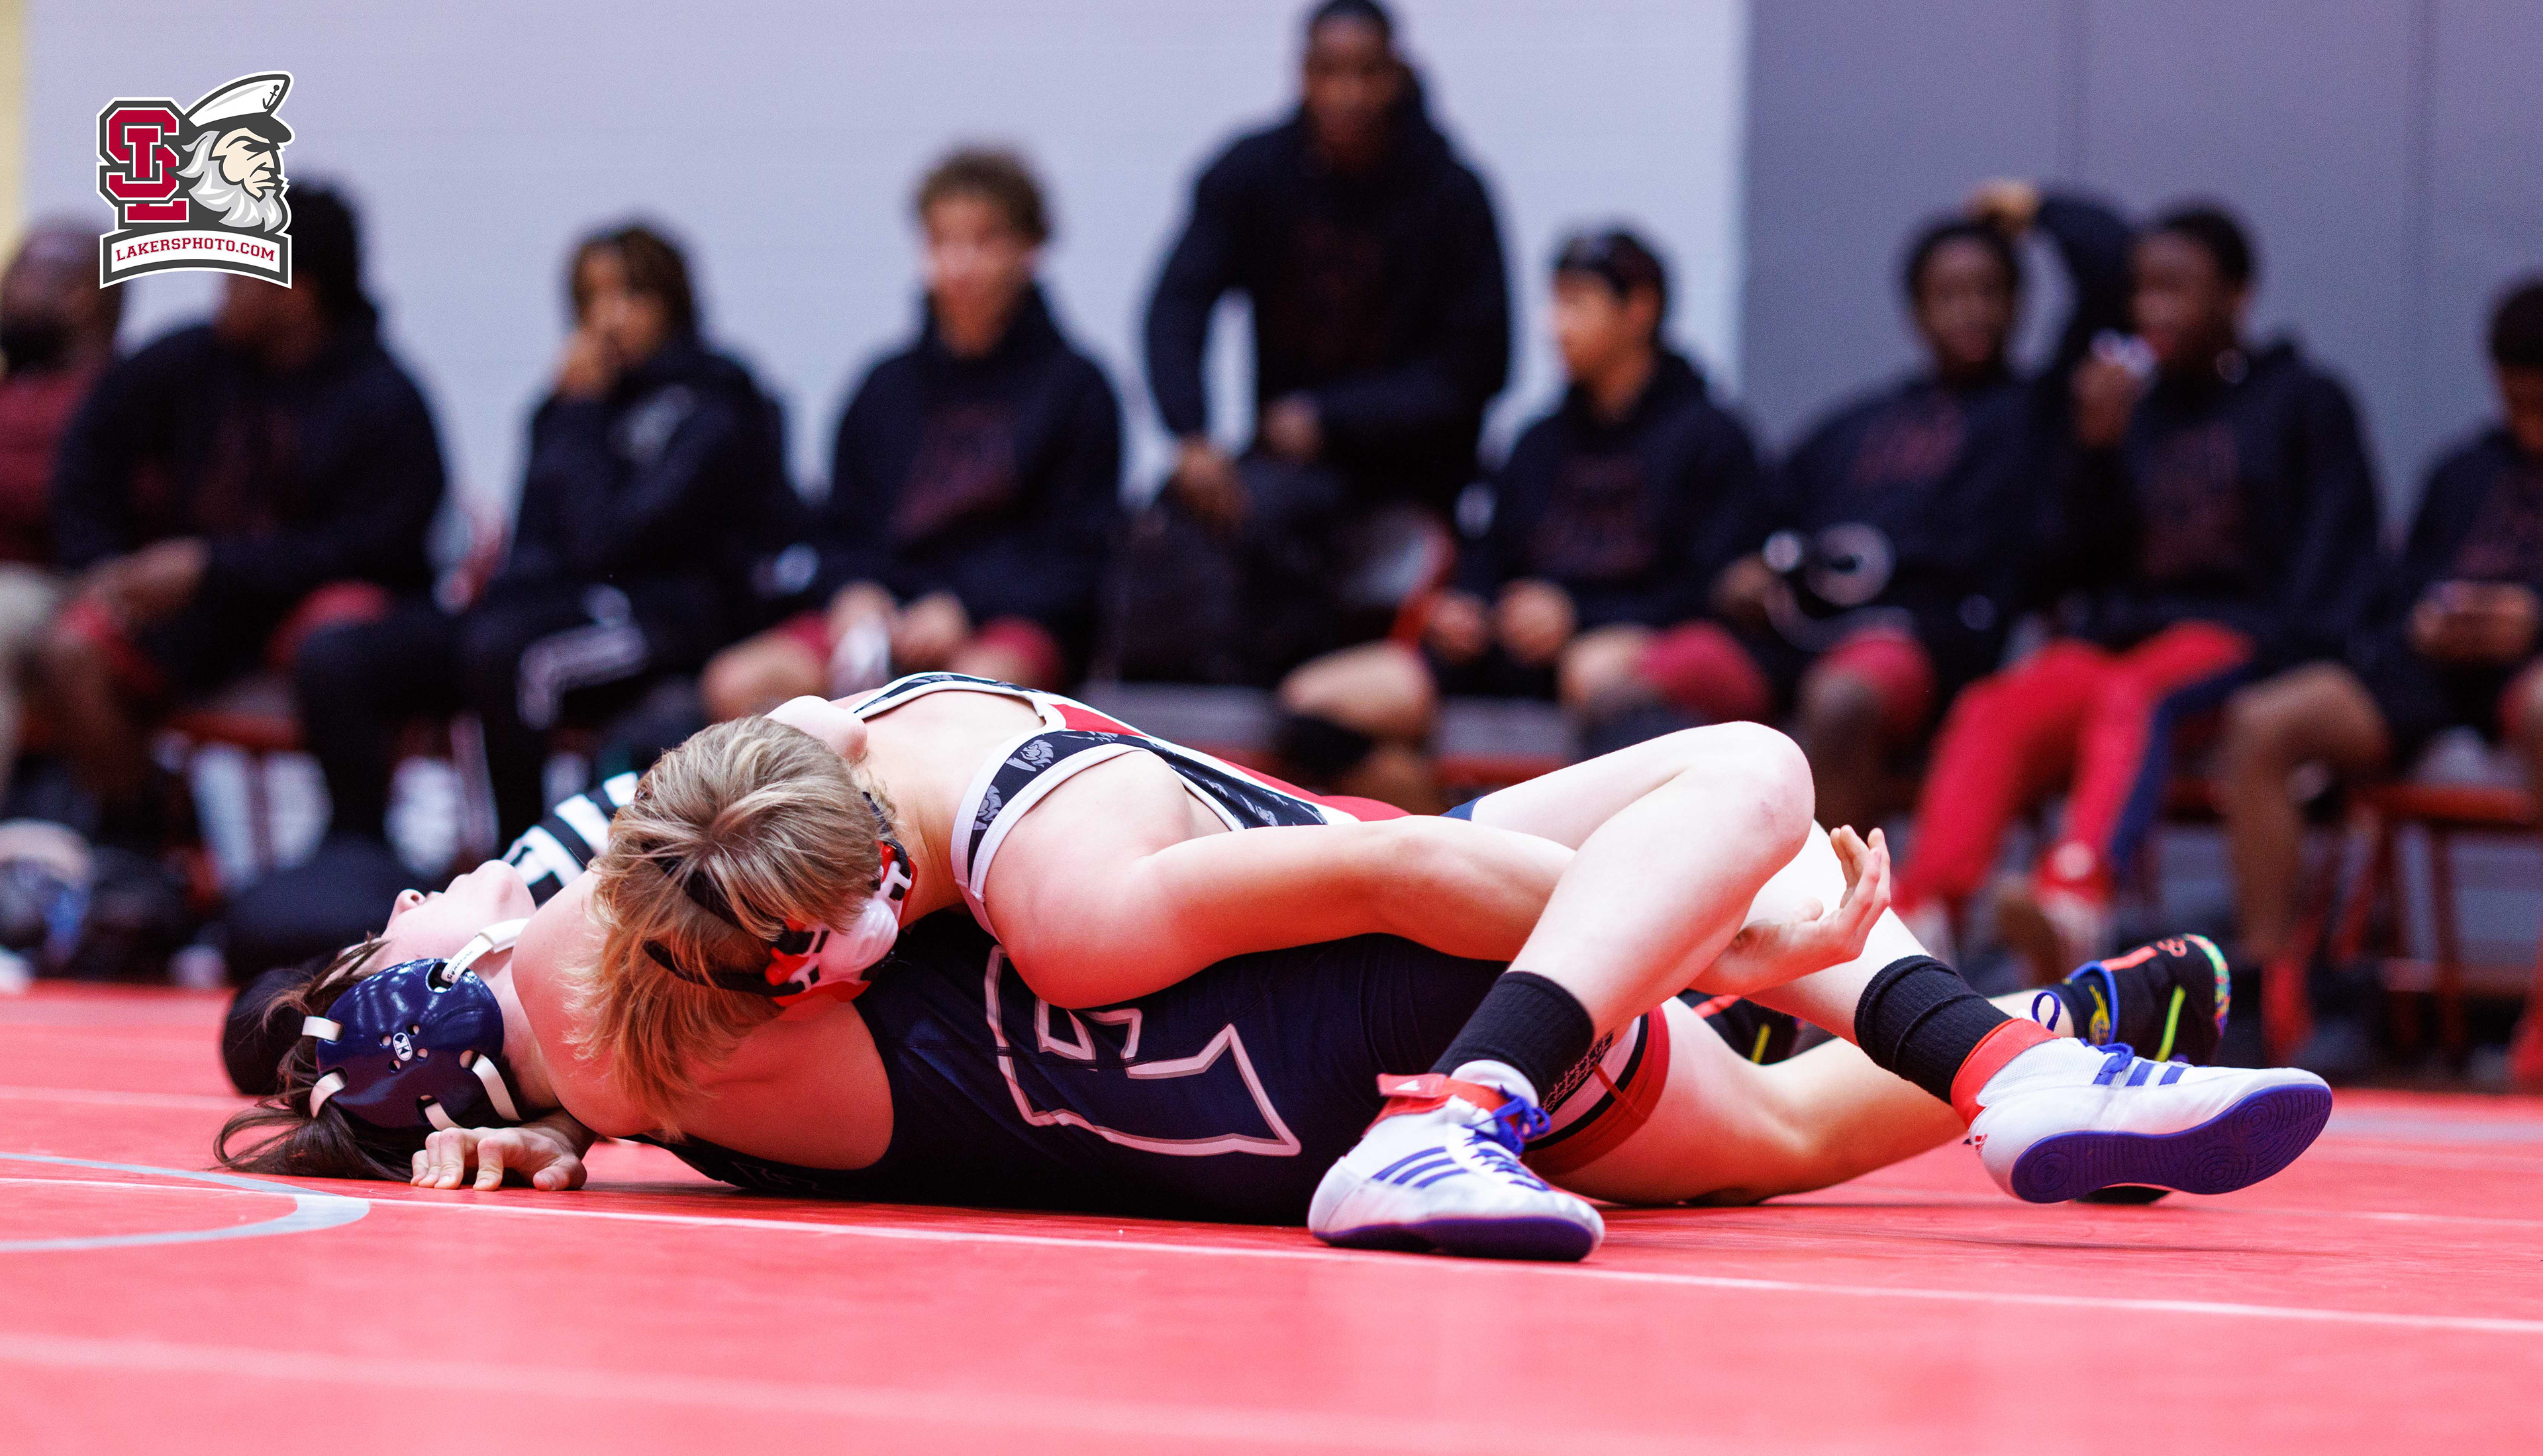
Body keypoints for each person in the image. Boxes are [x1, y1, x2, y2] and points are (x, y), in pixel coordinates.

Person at [217, 705, 2304, 1260]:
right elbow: (1406, 861)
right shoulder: (962, 836)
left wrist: (495, 1111)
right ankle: (2003, 1051)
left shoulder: (646, 1022)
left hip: (1251, 1080)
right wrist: (1738, 939)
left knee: (1756, 1107)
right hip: (1362, 1008)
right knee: (1752, 802)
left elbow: (490, 986)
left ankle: (2042, 1053)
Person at [1893, 202, 2383, 981]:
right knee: (1996, 708)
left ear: (2236, 295)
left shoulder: (2304, 400)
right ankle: (1924, 915)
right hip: (2122, 634)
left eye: (2175, 289)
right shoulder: (2129, 409)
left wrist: (2300, 655)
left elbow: (2336, 545)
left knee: (2135, 695)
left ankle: (2074, 899)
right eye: (2143, 292)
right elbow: (2063, 563)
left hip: (2242, 636)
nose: (2154, 310)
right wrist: (2093, 451)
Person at [293, 222, 791, 847]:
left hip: (658, 616)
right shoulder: (567, 403)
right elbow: (533, 542)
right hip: (546, 609)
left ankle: (517, 860)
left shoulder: (715, 407)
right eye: (591, 299)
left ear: (673, 302)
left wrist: (579, 413)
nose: (608, 318)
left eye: (630, 294)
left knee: (506, 657)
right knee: (338, 656)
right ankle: (357, 851)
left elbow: (608, 542)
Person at [1691, 183, 2132, 832]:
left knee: (1839, 699)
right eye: (1948, 296)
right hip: (1802, 630)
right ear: (1917, 311)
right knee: (1638, 686)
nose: (1970, 310)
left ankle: (1843, 898)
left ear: (2017, 303)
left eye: (1988, 292)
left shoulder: (2038, 412)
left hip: (1930, 637)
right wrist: (1743, 570)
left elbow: (2117, 266)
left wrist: (2036, 210)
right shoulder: (1860, 422)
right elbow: (1756, 513)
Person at [1271, 229, 1764, 808]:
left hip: (1624, 645)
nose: (1555, 326)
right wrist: (1466, 606)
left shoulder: (1711, 437)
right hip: (1505, 650)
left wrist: (1578, 615)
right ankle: (1447, 833)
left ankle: (1584, 851)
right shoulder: (1539, 440)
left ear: (1639, 311)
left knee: (1592, 671)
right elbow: (1491, 551)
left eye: (1577, 303)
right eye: (1554, 303)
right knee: (1312, 703)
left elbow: (1714, 589)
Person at [44, 187, 445, 848]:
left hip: (307, 613)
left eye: (237, 272)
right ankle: (149, 844)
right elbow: (88, 454)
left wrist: (213, 567)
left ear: (295, 293)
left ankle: (356, 847)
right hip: (205, 614)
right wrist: (103, 563)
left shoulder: (384, 398)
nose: (220, 289)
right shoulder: (188, 361)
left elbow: (379, 548)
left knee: (339, 635)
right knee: (71, 651)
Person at [1128, 0, 1510, 685]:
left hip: (1410, 474)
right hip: (1287, 473)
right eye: (1330, 73)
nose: (1348, 94)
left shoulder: (1451, 194)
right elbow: (1177, 305)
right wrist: (1191, 432)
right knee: (1179, 530)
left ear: (1395, 76)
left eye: (1366, 74)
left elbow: (1478, 366)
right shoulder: (1254, 173)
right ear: (1303, 77)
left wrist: (1332, 418)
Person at [2216, 279, 2543, 1079]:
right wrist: (2426, 623)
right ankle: (2266, 998)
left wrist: (2532, 620)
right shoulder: (2464, 468)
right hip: (2433, 675)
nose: (2529, 421)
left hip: (2529, 678)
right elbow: (2394, 590)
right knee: (2263, 724)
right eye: (2516, 400)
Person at [701, 150, 1120, 720]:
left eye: (984, 240)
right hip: (883, 616)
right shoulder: (885, 385)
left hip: (1006, 621)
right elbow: (836, 526)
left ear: (1030, 249)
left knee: (963, 702)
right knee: (738, 684)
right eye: (942, 241)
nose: (960, 264)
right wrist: (853, 590)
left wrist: (964, 605)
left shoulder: (1076, 388)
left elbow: (1076, 559)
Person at [0, 222, 122, 802]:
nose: (5, 289)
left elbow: (84, 505)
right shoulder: (14, 388)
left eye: (24, 272)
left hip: (59, 582)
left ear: (82, 296)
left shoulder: (118, 394)